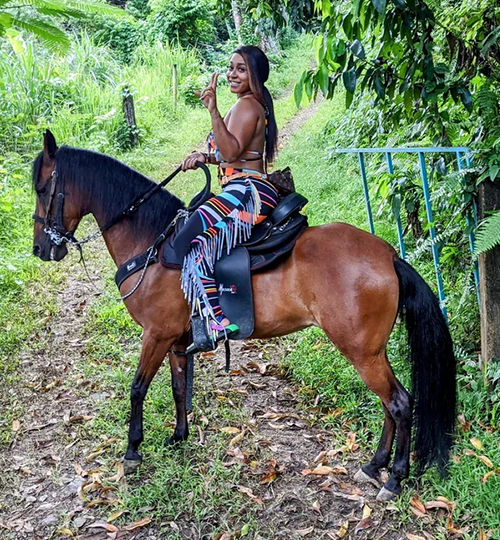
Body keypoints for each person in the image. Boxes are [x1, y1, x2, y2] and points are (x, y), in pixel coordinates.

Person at [174, 45, 279, 345]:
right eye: (231, 67)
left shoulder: (248, 106)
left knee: (192, 244)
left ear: (255, 76)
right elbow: (229, 154)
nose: (232, 74)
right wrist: (204, 158)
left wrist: (212, 110)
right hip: (240, 187)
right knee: (191, 237)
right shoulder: (248, 105)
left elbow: (231, 151)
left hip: (247, 192)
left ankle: (217, 321)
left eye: (241, 69)